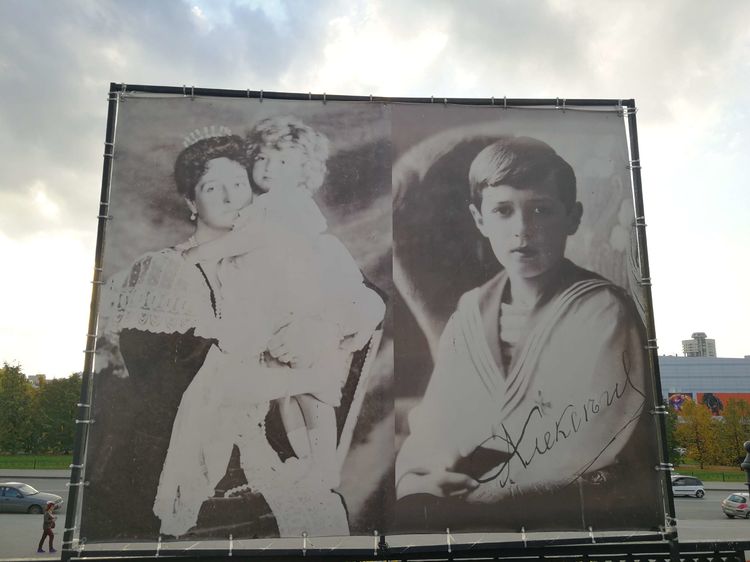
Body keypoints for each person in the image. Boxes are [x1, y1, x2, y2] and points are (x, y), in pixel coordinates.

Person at [395, 136, 658, 531]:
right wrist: (418, 475)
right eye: (503, 211)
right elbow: (440, 413)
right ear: (479, 220)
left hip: (564, 494)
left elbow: (593, 430)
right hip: (472, 485)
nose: (522, 229)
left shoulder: (601, 308)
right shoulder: (471, 310)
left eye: (541, 210)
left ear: (572, 217)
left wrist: (502, 489)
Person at [152, 120, 385, 538]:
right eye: (212, 187)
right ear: (190, 200)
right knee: (296, 400)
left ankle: (317, 466)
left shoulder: (287, 226)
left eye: (237, 184)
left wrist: (326, 324)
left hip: (292, 360)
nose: (230, 196)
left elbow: (368, 298)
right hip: (228, 440)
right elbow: (187, 377)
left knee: (310, 409)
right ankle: (310, 465)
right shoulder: (168, 271)